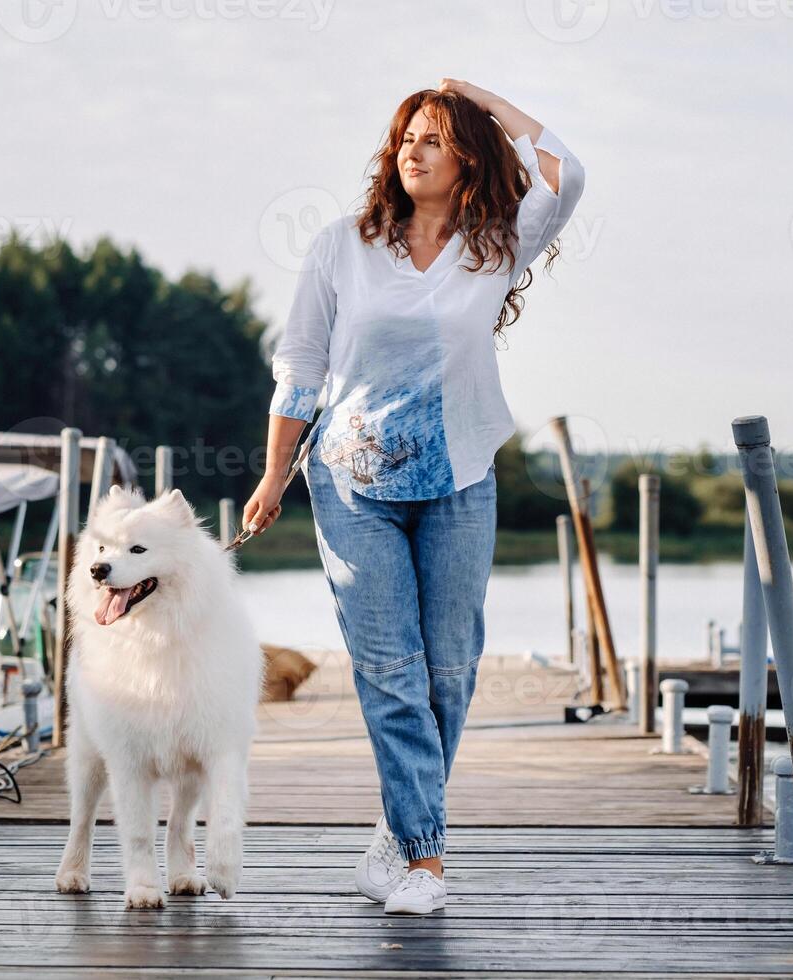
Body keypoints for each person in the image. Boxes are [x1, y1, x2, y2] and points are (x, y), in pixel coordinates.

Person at [243, 78, 586, 915]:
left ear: (468, 153)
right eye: (404, 137)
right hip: (352, 483)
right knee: (390, 669)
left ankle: (397, 834)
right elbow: (301, 367)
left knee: (451, 671)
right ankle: (428, 862)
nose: (411, 150)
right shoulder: (342, 247)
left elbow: (566, 173)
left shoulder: (495, 243)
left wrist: (479, 98)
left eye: (433, 137)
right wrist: (274, 473)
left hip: (461, 478)